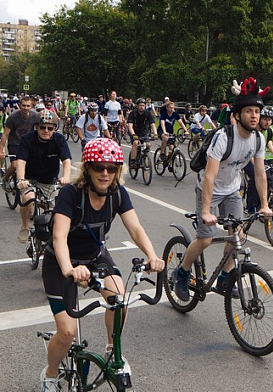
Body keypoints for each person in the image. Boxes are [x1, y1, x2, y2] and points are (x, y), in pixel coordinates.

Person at [39, 138, 164, 391]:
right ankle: (50, 375)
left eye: (111, 167)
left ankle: (111, 350)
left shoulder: (117, 193)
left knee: (120, 299)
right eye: (98, 167)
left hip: (96, 257)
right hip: (61, 263)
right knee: (66, 333)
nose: (105, 173)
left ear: (118, 169)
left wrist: (153, 255)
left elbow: (135, 228)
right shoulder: (71, 194)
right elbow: (59, 236)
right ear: (87, 168)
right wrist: (68, 269)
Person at [171, 78, 272, 302]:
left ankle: (224, 277)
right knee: (205, 239)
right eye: (249, 111)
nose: (254, 116)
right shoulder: (224, 137)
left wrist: (264, 204)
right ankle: (181, 272)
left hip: (231, 190)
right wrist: (207, 211)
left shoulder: (258, 139)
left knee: (238, 236)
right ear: (237, 115)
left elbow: (259, 174)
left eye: (257, 111)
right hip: (209, 189)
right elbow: (209, 175)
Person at [16, 110, 72, 244]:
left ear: (54, 128)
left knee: (56, 213)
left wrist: (66, 177)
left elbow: (66, 161)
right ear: (36, 127)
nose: (46, 130)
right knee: (28, 199)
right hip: (30, 180)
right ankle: (25, 226)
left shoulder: (59, 140)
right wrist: (21, 179)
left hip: (50, 181)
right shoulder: (27, 139)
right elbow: (21, 162)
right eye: (42, 127)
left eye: (50, 127)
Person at [0, 96, 39, 191]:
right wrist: (1, 151)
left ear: (31, 106)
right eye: (23, 105)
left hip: (28, 144)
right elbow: (5, 135)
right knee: (14, 165)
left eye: (28, 106)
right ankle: (5, 179)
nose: (25, 108)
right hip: (15, 143)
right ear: (20, 105)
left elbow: (39, 130)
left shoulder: (35, 116)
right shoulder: (13, 117)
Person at [127, 98, 157, 165]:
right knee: (136, 142)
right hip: (134, 131)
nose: (142, 107)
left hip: (144, 131)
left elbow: (152, 124)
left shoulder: (147, 113)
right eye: (140, 105)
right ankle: (133, 160)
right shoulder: (133, 113)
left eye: (143, 105)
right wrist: (133, 134)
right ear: (137, 106)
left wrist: (155, 133)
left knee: (148, 144)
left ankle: (145, 156)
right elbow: (130, 126)